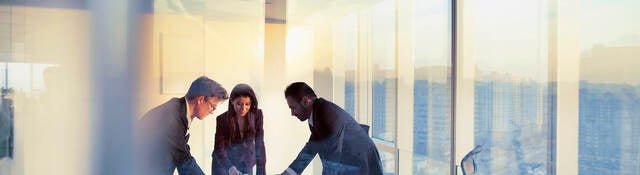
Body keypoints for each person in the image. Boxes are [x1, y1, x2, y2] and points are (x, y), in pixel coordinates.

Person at [280, 82, 383, 175]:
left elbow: (332, 160)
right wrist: (289, 173)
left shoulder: (326, 114)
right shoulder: (317, 114)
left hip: (362, 164)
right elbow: (311, 148)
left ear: (306, 101)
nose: (292, 113)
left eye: (293, 107)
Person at [137, 76, 228, 175]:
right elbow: (184, 159)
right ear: (201, 99)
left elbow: (182, 152)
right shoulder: (171, 117)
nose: (212, 112)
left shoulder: (178, 110)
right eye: (213, 107)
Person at [212, 84, 266, 175]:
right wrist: (230, 168)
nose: (243, 108)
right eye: (239, 104)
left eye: (247, 104)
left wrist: (261, 172)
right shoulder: (222, 119)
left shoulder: (257, 115)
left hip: (246, 161)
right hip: (223, 163)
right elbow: (219, 148)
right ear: (232, 101)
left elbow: (259, 144)